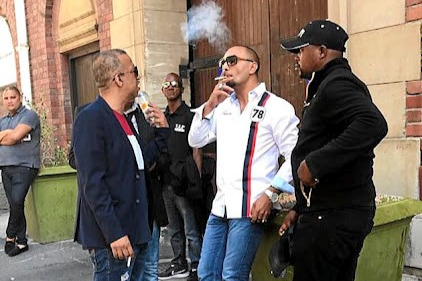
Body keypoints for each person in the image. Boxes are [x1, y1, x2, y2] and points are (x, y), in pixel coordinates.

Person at [278, 20, 388, 281]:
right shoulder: (326, 84)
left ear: (322, 52)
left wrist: (315, 164)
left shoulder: (337, 84)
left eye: (301, 49)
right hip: (325, 212)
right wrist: (300, 206)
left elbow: (374, 124)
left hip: (332, 218)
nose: (296, 56)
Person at [188, 46, 299, 281]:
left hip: (250, 210)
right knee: (206, 273)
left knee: (232, 276)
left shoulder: (276, 107)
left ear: (252, 66)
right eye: (223, 62)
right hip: (221, 207)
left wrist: (270, 192)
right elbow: (195, 139)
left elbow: (295, 156)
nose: (225, 66)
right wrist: (209, 106)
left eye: (232, 60)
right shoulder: (223, 107)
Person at [72, 49, 169, 281]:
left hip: (135, 231)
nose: (138, 78)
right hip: (114, 240)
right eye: (134, 72)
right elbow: (92, 184)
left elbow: (139, 163)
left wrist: (162, 132)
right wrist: (114, 234)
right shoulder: (91, 118)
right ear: (118, 78)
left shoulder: (123, 118)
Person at [158, 73, 203, 281]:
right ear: (162, 90)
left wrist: (197, 178)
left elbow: (197, 149)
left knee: (191, 227)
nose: (170, 87)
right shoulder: (161, 117)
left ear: (181, 89)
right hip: (166, 182)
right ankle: (178, 262)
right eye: (166, 84)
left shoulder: (190, 115)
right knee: (173, 228)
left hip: (184, 182)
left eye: (174, 84)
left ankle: (196, 264)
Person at [0, 86, 40, 257]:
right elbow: (12, 136)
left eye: (13, 97)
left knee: (17, 201)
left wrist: (8, 136)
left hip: (25, 166)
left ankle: (10, 236)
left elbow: (16, 137)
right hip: (5, 167)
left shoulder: (29, 115)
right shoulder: (2, 121)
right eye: (6, 98)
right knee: (15, 204)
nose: (10, 101)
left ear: (20, 98)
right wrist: (7, 133)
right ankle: (22, 241)